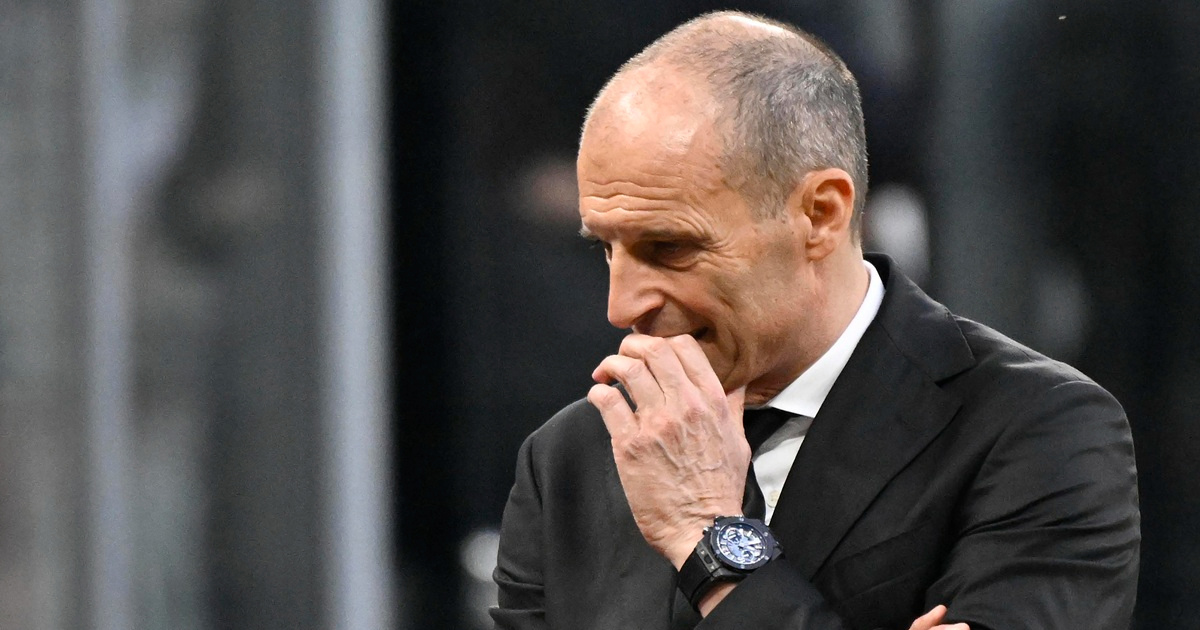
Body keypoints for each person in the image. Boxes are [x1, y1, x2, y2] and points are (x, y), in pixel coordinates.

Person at [491, 11, 1139, 630]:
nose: (622, 306)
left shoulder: (1038, 431)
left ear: (821, 214)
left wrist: (707, 533)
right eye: (607, 248)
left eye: (671, 248)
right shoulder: (568, 459)